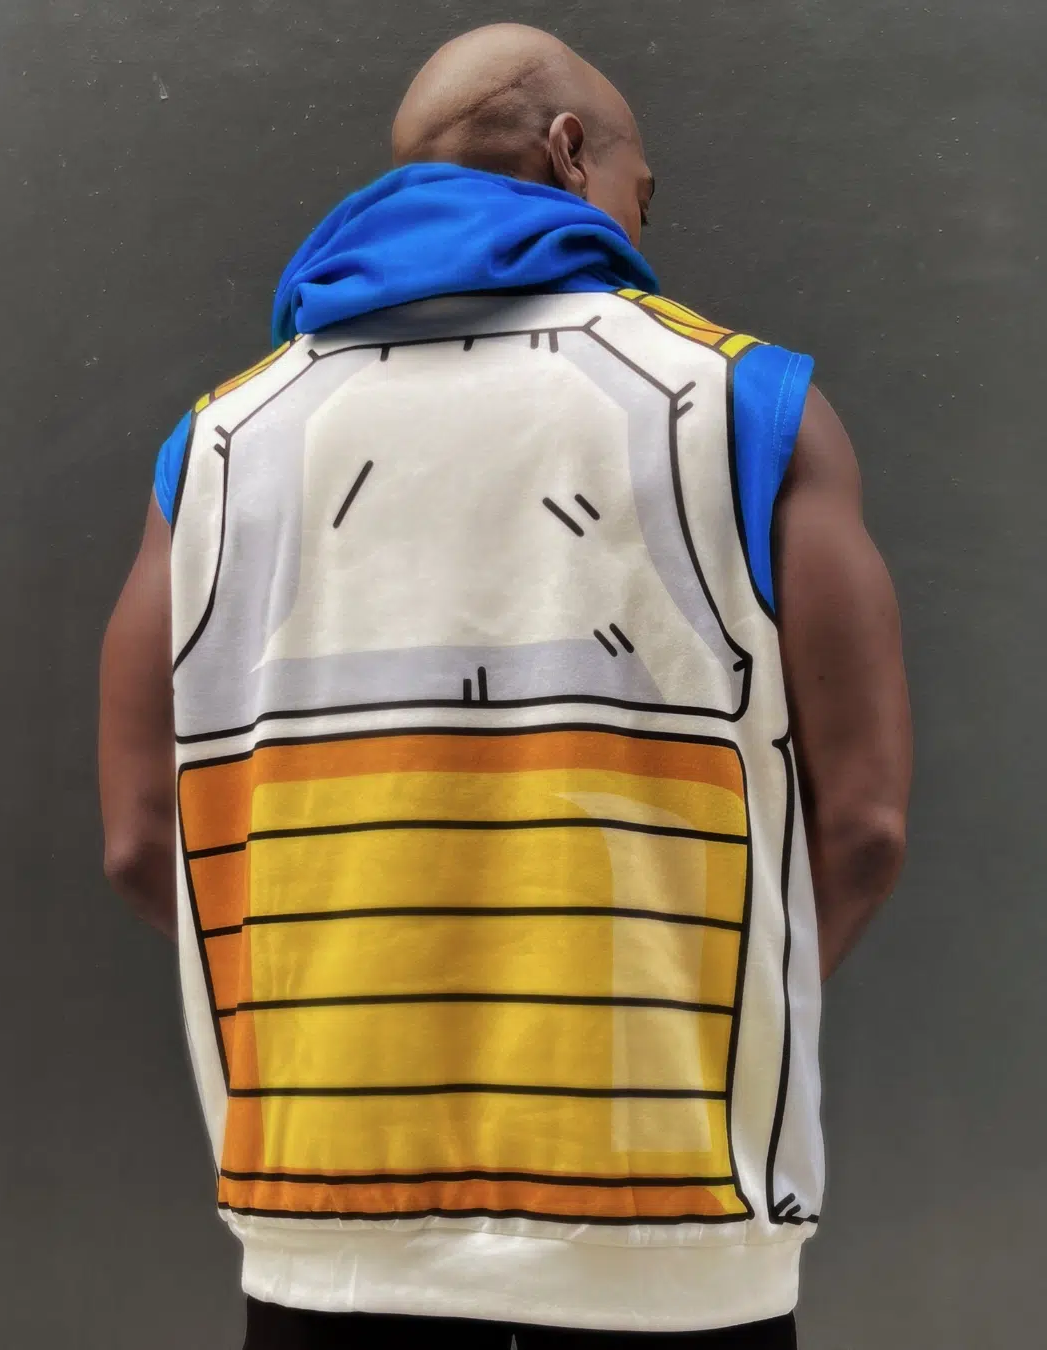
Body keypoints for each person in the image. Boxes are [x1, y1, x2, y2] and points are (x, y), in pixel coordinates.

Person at [99, 22, 911, 1350]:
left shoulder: (217, 446)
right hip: (673, 1240)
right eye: (644, 184)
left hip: (327, 1237)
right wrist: (727, 1022)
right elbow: (865, 826)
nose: (645, 217)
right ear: (572, 151)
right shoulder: (750, 407)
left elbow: (145, 845)